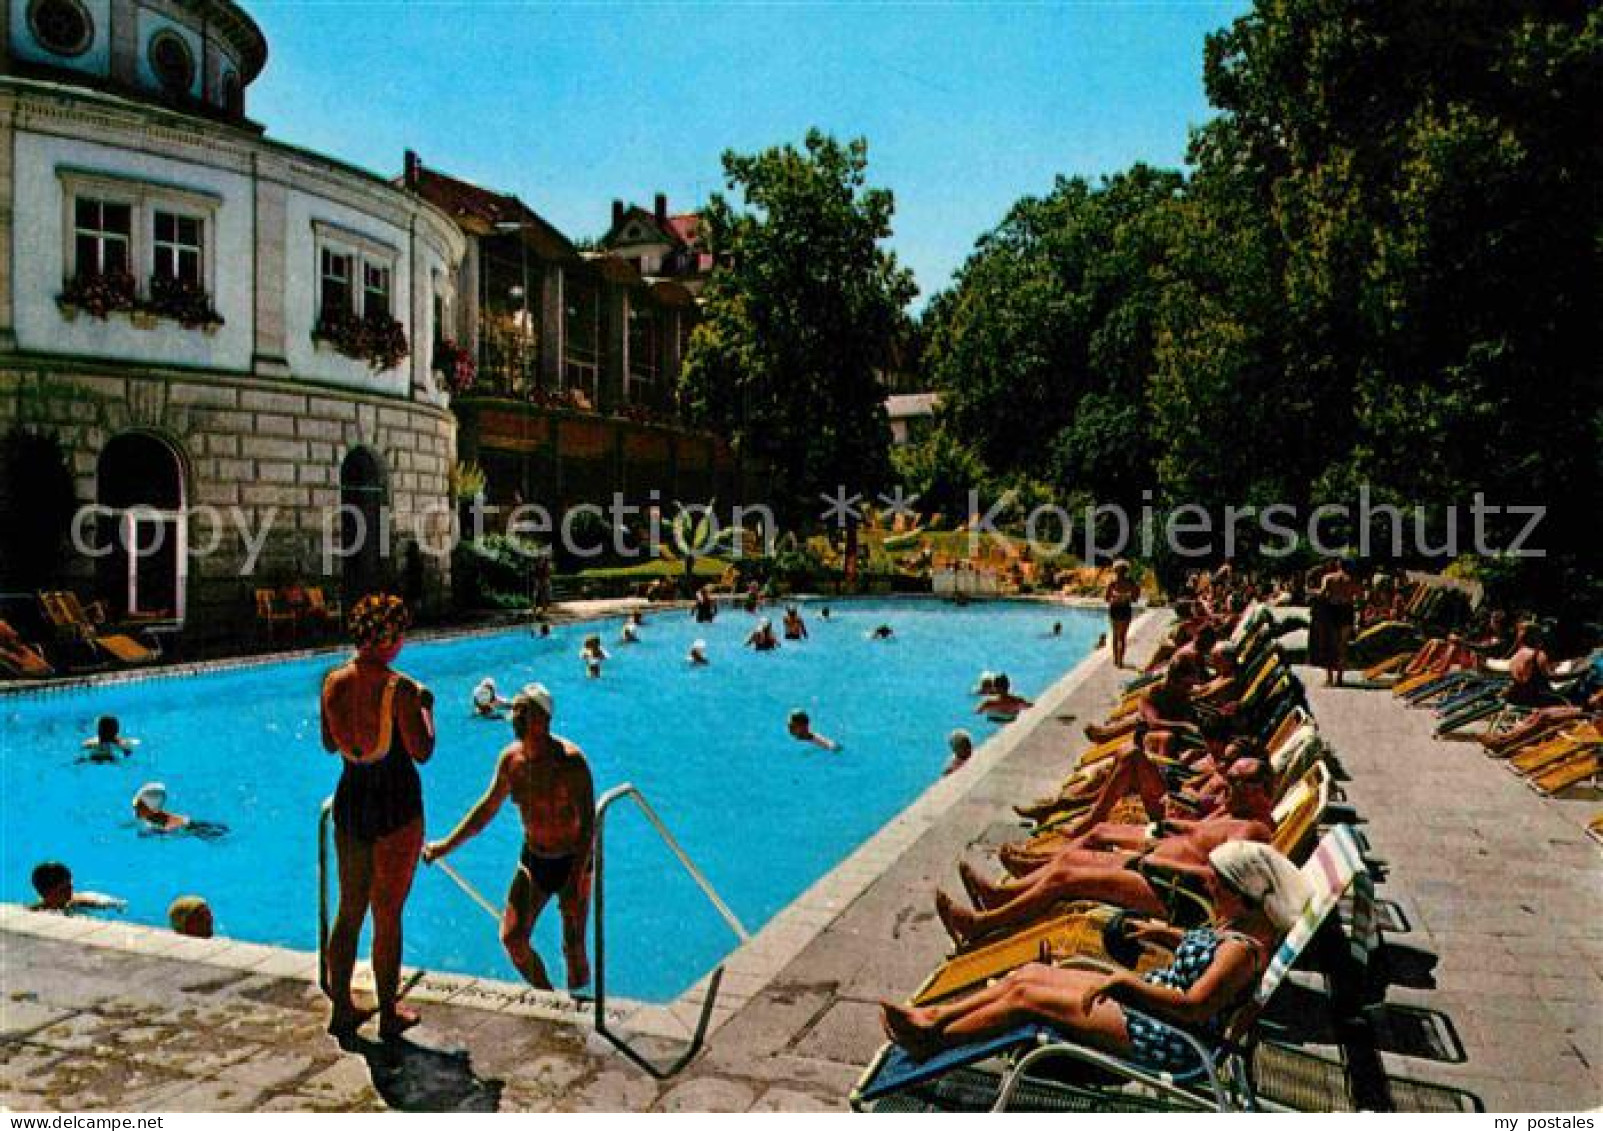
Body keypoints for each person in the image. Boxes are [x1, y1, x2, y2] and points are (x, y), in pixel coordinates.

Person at [882, 842, 1308, 1067]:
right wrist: (1167, 935)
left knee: (1028, 1000)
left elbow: (1195, 1008)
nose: (1210, 888)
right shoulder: (1240, 927)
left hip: (1165, 1037)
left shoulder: (1242, 950)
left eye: (1218, 884)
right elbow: (1209, 959)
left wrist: (1126, 983)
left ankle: (933, 1042)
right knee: (1027, 974)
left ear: (1243, 893)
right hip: (1154, 1008)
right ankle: (933, 1020)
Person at [935, 758, 1275, 945]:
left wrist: (1153, 863)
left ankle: (983, 924)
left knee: (1067, 879)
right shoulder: (1235, 812)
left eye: (1238, 780)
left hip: (1177, 894)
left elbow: (1226, 881)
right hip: (1155, 869)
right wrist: (1177, 826)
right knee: (1068, 859)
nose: (1227, 783)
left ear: (1263, 790)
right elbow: (1201, 837)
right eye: (1229, 776)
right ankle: (1000, 895)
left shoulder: (1254, 830)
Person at [424, 684, 595, 992]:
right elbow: (486, 809)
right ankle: (548, 998)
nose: (513, 716)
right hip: (535, 859)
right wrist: (445, 846)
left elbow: (587, 827)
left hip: (573, 862)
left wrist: (574, 881)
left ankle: (582, 1007)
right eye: (514, 709)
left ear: (542, 719)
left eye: (522, 711)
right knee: (513, 939)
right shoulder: (511, 761)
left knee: (574, 945)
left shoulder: (571, 763)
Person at [320, 593, 435, 1039]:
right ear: (387, 636)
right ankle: (389, 1014)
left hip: (351, 797)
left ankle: (342, 1008)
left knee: (349, 909)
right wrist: (428, 709)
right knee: (387, 913)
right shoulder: (400, 689)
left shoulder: (332, 682)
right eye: (400, 634)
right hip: (395, 803)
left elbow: (330, 745)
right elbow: (422, 752)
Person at [131, 782, 228, 839]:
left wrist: (149, 833)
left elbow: (163, 831)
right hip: (187, 823)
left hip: (185, 827)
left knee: (211, 834)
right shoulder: (151, 814)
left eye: (138, 807)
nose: (135, 810)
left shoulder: (152, 818)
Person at [29, 861, 124, 914]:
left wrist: (114, 903)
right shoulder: (36, 911)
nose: (69, 891)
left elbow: (98, 899)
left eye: (70, 886)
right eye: (63, 889)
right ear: (45, 892)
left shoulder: (77, 901)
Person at [1104, 560, 1141, 669]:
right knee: (1121, 637)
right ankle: (1119, 660)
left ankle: (1117, 660)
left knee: (1116, 636)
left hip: (1116, 609)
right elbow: (1135, 598)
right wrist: (1126, 597)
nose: (1119, 573)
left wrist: (1116, 598)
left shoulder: (1113, 583)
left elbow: (1106, 599)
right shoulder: (1131, 582)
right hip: (1124, 609)